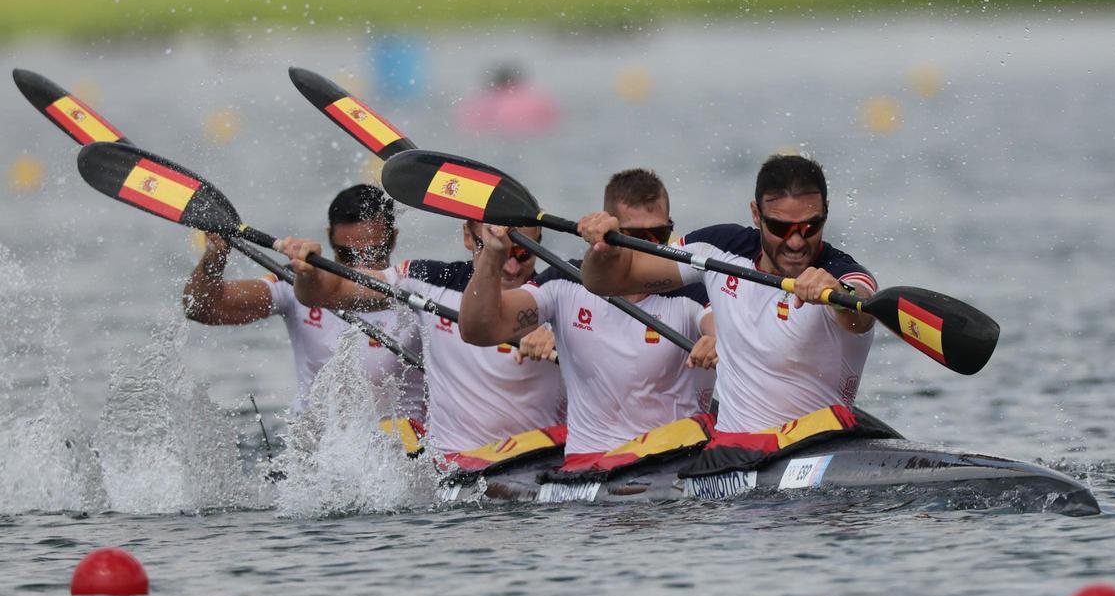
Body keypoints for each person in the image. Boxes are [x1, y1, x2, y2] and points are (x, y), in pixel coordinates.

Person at [580, 154, 877, 436]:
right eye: (780, 228)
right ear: (755, 214)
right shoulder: (719, 249)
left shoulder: (843, 273)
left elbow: (861, 313)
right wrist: (603, 251)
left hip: (814, 443)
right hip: (736, 453)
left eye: (811, 226)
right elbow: (606, 282)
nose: (796, 242)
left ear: (826, 212)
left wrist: (838, 294)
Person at [457, 169, 717, 466]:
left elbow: (719, 327)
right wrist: (492, 253)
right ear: (606, 234)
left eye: (658, 235)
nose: (650, 247)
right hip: (588, 468)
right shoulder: (564, 283)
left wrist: (719, 340)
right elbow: (479, 330)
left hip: (672, 461)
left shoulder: (692, 290)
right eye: (634, 237)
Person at [275, 220, 565, 456]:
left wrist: (564, 340)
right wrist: (311, 274)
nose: (510, 267)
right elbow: (331, 291)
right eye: (496, 251)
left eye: (523, 254)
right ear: (468, 235)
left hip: (540, 457)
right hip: (453, 466)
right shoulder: (426, 279)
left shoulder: (560, 295)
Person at [183, 184, 425, 423]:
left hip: (405, 443)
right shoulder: (296, 282)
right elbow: (202, 307)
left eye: (374, 253)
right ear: (330, 236)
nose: (360, 269)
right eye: (348, 255)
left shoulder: (419, 293)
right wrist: (215, 257)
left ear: (393, 239)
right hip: (317, 443)